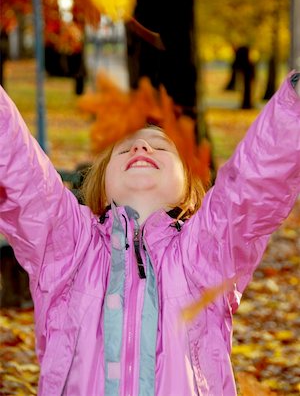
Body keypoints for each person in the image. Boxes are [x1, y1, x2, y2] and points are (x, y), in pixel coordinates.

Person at [0, 72, 299, 396]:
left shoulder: (206, 253)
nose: (141, 146)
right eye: (125, 149)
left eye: (160, 147)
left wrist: (293, 106)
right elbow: (21, 173)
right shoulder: (68, 247)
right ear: (102, 183)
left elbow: (251, 188)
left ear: (188, 189)